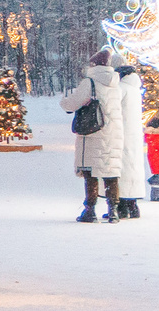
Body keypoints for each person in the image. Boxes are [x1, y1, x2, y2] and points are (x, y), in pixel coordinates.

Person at [61, 49, 126, 223]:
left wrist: (64, 102)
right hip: (113, 133)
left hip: (93, 131)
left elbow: (72, 104)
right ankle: (113, 210)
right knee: (110, 171)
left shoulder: (89, 82)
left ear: (93, 65)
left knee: (90, 171)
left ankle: (90, 209)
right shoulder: (115, 84)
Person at [114, 61, 147, 221]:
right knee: (133, 167)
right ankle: (133, 205)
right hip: (134, 135)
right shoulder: (135, 89)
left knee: (122, 168)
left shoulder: (121, 89)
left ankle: (122, 205)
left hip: (122, 133)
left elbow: (112, 108)